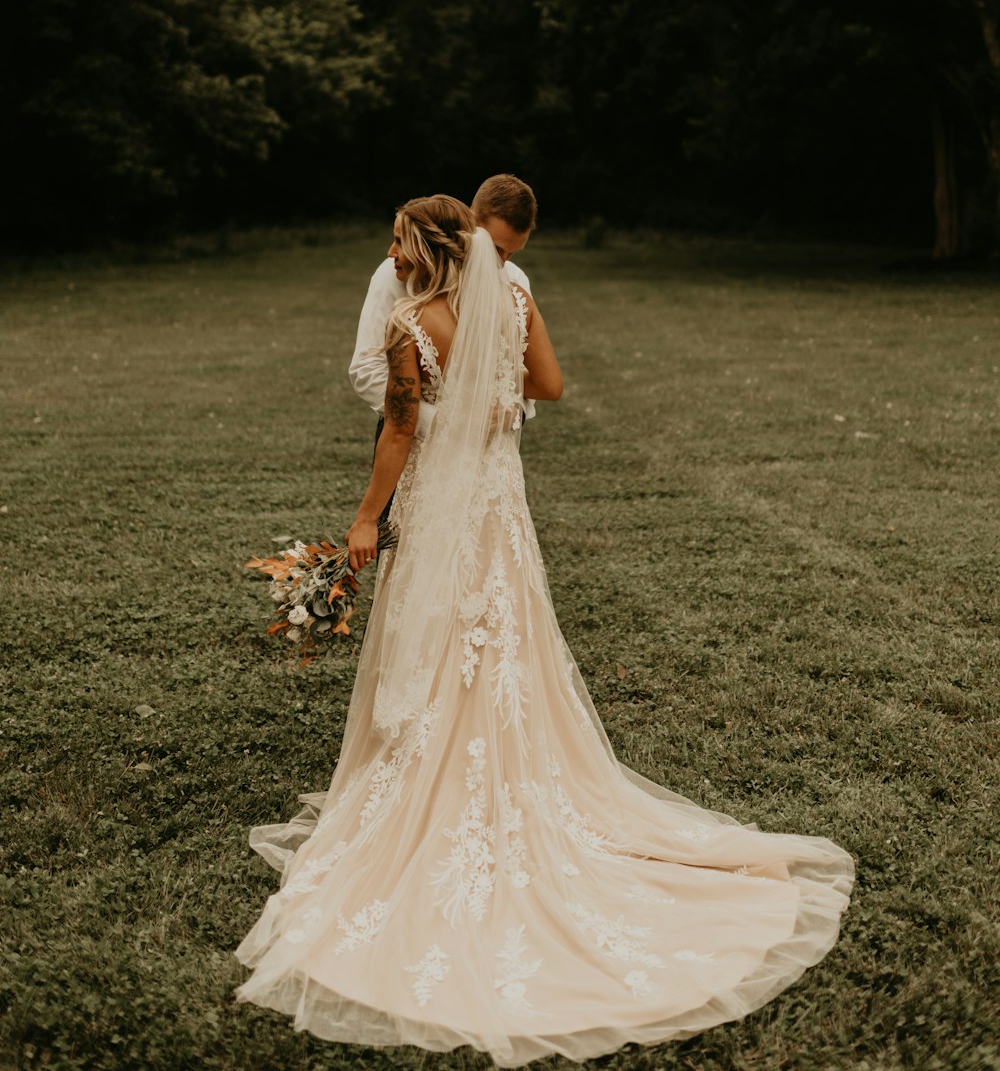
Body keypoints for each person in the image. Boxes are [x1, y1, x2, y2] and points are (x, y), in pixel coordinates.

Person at [235, 196, 853, 1066]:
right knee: (506, 643)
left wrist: (366, 520)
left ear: (424, 250)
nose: (390, 251)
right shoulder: (516, 299)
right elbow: (549, 388)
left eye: (398, 241)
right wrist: (489, 396)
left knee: (438, 640)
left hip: (442, 506)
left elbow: (402, 429)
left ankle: (430, 786)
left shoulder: (410, 324)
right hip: (499, 507)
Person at [349, 173, 537, 445]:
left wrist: (515, 411)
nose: (502, 262)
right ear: (470, 221)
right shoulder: (396, 272)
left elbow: (519, 368)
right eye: (496, 248)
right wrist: (438, 423)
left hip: (486, 447)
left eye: (513, 253)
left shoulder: (514, 280)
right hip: (411, 439)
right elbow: (366, 368)